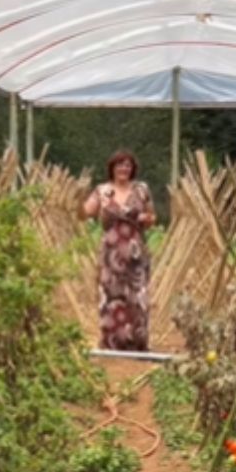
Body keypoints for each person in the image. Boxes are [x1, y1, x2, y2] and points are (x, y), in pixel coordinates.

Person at [79, 150, 157, 351]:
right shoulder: (102, 191)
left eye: (128, 165)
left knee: (137, 296)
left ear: (132, 169)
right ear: (112, 168)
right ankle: (112, 341)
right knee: (111, 294)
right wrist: (76, 197)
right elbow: (85, 212)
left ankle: (137, 342)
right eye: (120, 165)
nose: (124, 168)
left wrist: (146, 220)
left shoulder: (141, 190)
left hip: (136, 253)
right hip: (110, 253)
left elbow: (152, 217)